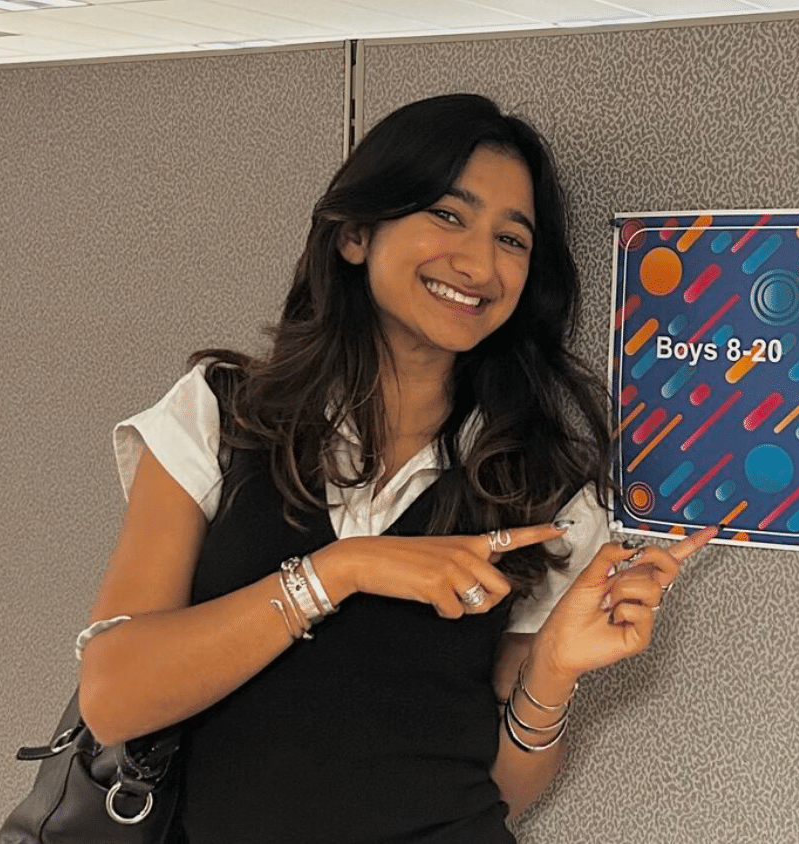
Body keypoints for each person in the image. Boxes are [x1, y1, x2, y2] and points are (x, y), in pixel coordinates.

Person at [75, 93, 717, 843]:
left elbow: (504, 791)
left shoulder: (543, 485)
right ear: (355, 234)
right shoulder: (222, 415)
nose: (478, 263)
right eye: (447, 215)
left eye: (512, 238)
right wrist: (339, 571)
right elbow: (114, 695)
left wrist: (553, 670)